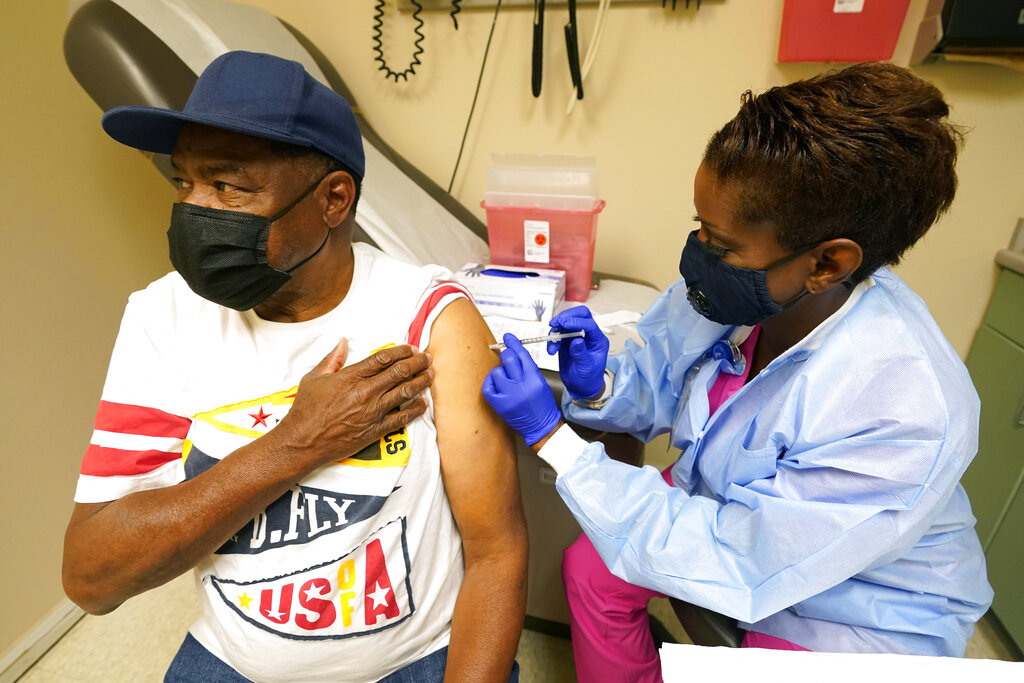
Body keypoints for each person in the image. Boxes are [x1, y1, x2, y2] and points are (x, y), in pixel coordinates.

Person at [482, 62, 993, 681]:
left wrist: (553, 440)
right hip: (730, 506)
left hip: (863, 606)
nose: (699, 253)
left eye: (720, 245)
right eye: (698, 227)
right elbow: (657, 379)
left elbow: (740, 557)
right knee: (593, 568)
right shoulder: (739, 293)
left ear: (827, 263)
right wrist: (600, 383)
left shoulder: (907, 405)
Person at [62, 51, 527, 683]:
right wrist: (298, 441)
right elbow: (91, 578)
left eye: (228, 186)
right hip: (234, 659)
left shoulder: (426, 318)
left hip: (412, 662)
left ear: (333, 199)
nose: (196, 209)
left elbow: (496, 554)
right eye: (184, 182)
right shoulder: (163, 317)